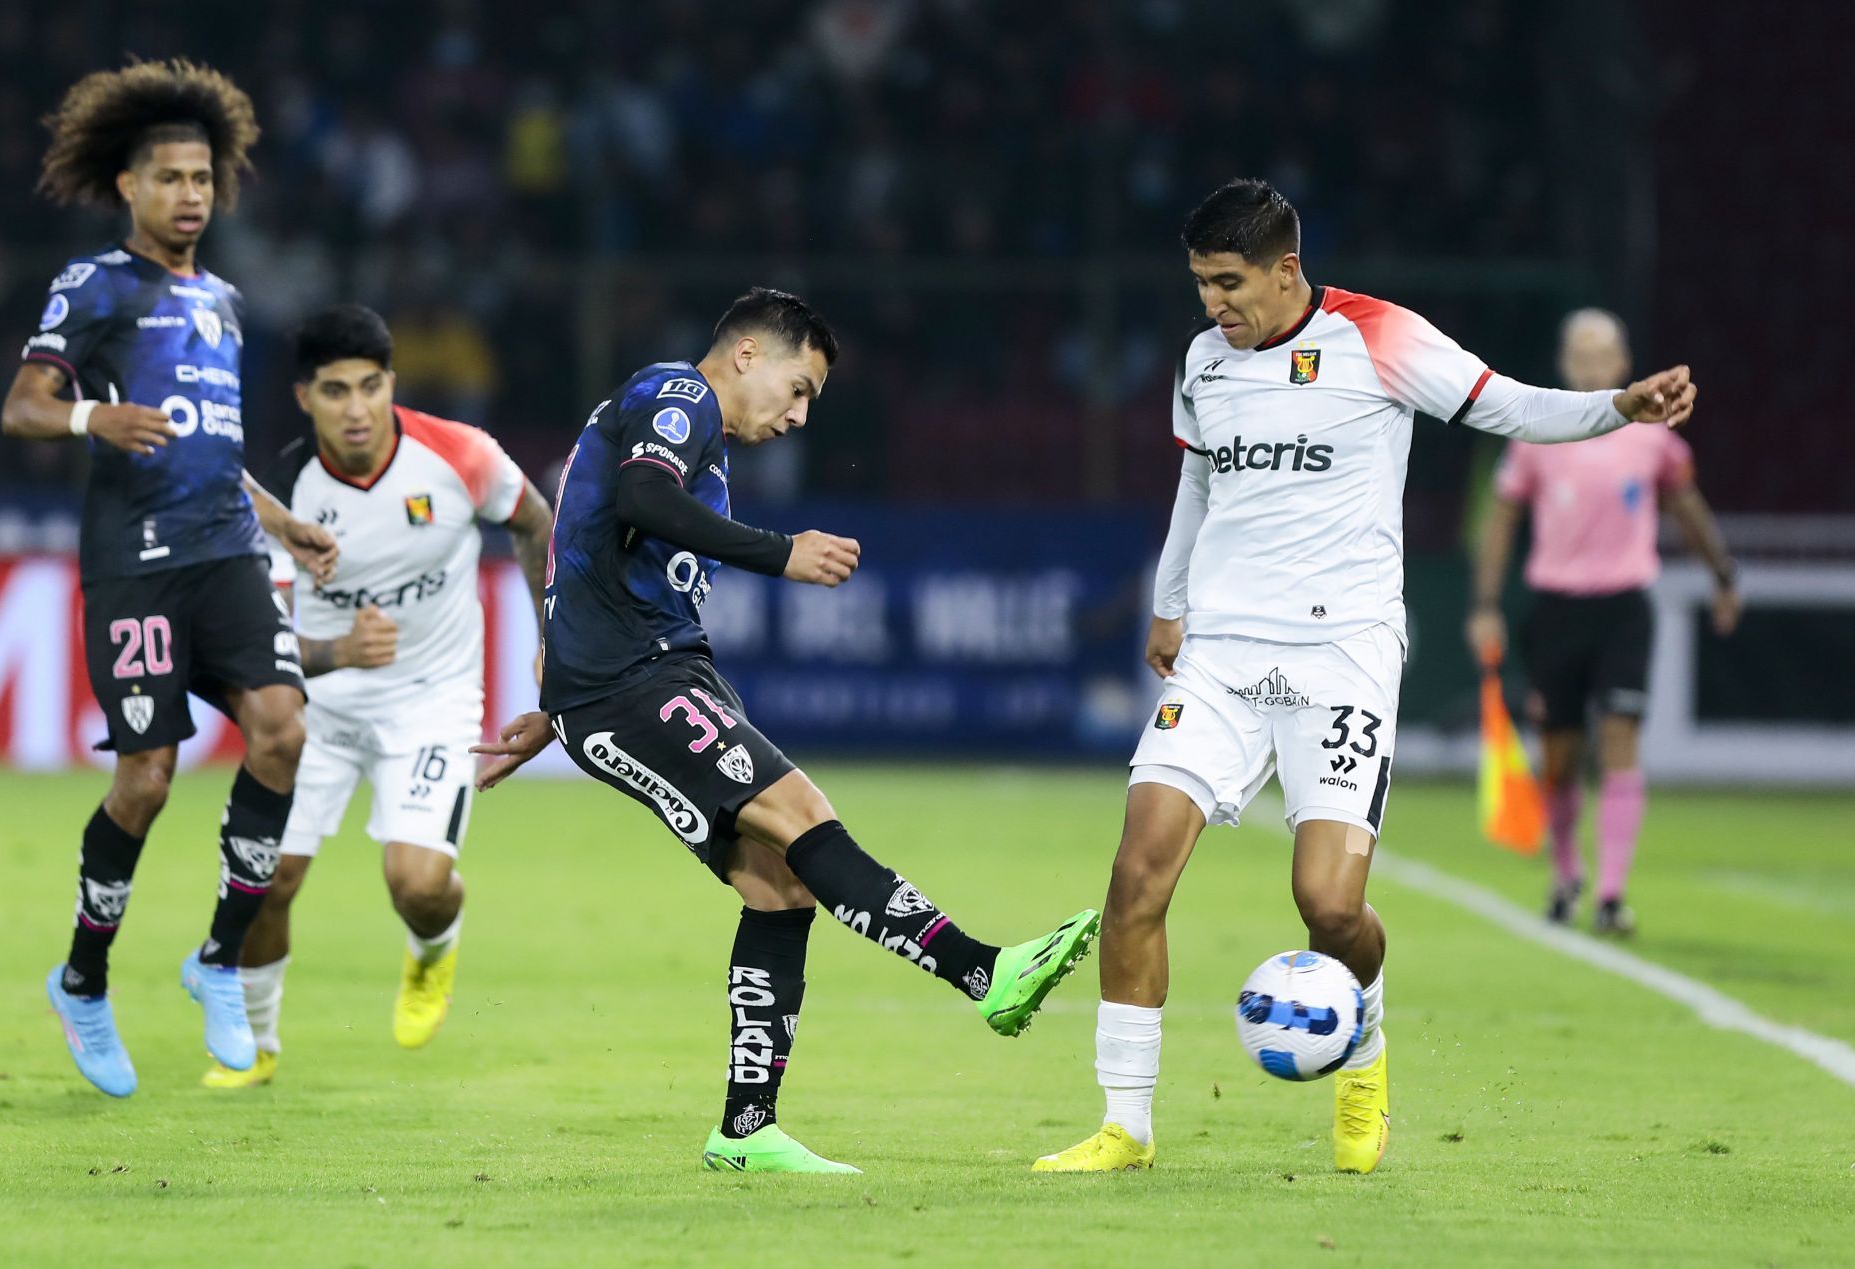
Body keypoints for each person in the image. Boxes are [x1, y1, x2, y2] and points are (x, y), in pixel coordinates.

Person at [1033, 180, 1697, 1175]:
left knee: (1329, 905)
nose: (1214, 304)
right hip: (1222, 656)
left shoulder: (1381, 338)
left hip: (1343, 654)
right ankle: (1125, 1123)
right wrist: (1170, 601)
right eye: (1201, 284)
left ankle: (1365, 1055)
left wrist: (1617, 407)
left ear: (1287, 269)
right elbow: (1197, 481)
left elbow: (1509, 405)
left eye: (1229, 282)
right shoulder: (1203, 360)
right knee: (1136, 878)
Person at [471, 287, 1100, 1174]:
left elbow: (590, 540)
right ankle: (983, 972)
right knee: (801, 811)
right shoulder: (679, 397)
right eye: (798, 388)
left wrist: (561, 693)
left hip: (627, 683)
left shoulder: (692, 435)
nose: (800, 415)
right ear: (747, 357)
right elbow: (641, 499)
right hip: (632, 684)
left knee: (779, 888)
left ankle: (746, 1129)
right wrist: (779, 553)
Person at [0, 61, 338, 1098]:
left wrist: (281, 520)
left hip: (227, 551)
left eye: (202, 176)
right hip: (135, 567)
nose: (190, 193)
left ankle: (218, 960)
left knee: (281, 727)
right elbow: (20, 405)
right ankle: (84, 979)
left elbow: (212, 439)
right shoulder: (95, 284)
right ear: (129, 188)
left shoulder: (224, 301)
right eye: (170, 177)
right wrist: (88, 415)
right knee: (146, 778)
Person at [199, 305, 553, 1088]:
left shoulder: (460, 455)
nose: (356, 409)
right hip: (313, 710)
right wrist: (339, 652)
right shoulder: (283, 495)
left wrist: (550, 638)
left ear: (392, 381)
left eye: (370, 386)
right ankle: (255, 1044)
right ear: (303, 397)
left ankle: (433, 949)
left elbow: (534, 523)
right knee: (265, 882)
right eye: (334, 391)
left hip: (432, 700)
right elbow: (263, 646)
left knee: (418, 887)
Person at [1466, 309, 1739, 936]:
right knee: (1559, 758)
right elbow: (1502, 519)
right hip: (1557, 610)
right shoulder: (1539, 432)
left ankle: (1612, 893)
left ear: (1622, 362)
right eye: (1580, 355)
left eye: (1603, 355)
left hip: (1622, 608)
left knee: (1620, 741)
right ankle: (1566, 872)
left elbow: (1687, 507)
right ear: (1565, 364)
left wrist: (1724, 575)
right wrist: (1484, 605)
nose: (1591, 365)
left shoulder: (1653, 437)